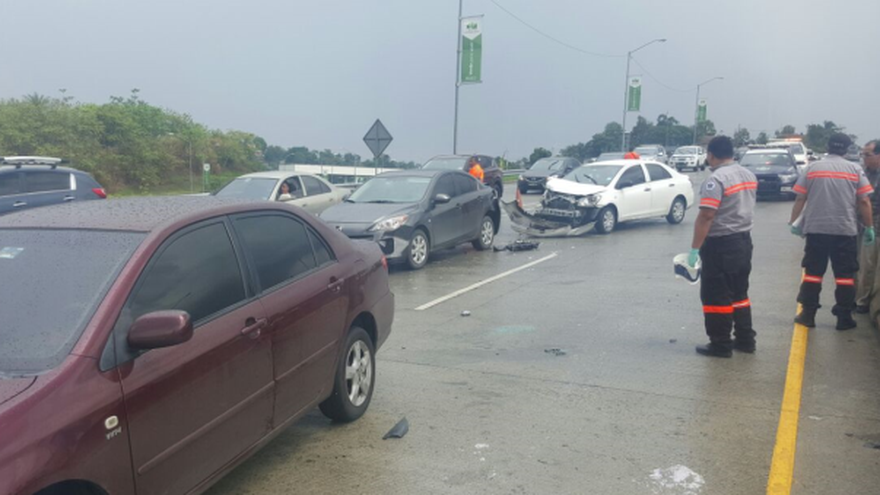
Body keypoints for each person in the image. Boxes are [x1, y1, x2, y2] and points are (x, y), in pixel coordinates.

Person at [790, 133, 875, 330]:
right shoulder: (855, 169)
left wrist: (793, 222)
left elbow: (800, 198)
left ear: (828, 146)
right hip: (844, 230)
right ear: (846, 149)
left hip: (816, 230)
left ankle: (808, 315)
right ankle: (844, 317)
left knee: (813, 273)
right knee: (845, 275)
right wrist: (869, 227)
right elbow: (864, 201)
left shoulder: (812, 168)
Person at [688, 135, 757, 358]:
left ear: (711, 155)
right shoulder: (747, 174)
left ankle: (720, 344)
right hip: (743, 241)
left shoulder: (716, 180)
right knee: (739, 293)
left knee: (716, 296)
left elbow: (707, 216)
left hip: (721, 245)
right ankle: (745, 339)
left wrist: (695, 249)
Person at [855, 140, 880, 313]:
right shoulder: (863, 173)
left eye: (868, 155)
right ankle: (858, 297)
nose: (864, 158)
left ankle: (863, 302)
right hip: (861, 223)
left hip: (875, 224)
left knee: (869, 264)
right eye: (862, 154)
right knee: (859, 264)